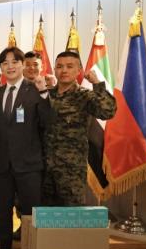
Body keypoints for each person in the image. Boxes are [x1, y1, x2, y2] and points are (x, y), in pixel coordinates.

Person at [0, 47, 54, 249]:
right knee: (3, 213)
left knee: (30, 213)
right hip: (2, 165)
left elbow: (49, 122)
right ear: (1, 67)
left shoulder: (36, 91)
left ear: (23, 65)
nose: (10, 66)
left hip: (29, 165)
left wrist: (44, 93)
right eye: (5, 63)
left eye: (14, 62)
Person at [42, 51, 117, 206]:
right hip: (44, 168)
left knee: (71, 214)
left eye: (69, 66)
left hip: (71, 171)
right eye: (59, 66)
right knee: (44, 214)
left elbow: (107, 111)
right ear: (54, 70)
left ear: (79, 70)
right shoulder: (47, 96)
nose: (64, 70)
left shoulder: (85, 96)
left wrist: (97, 84)